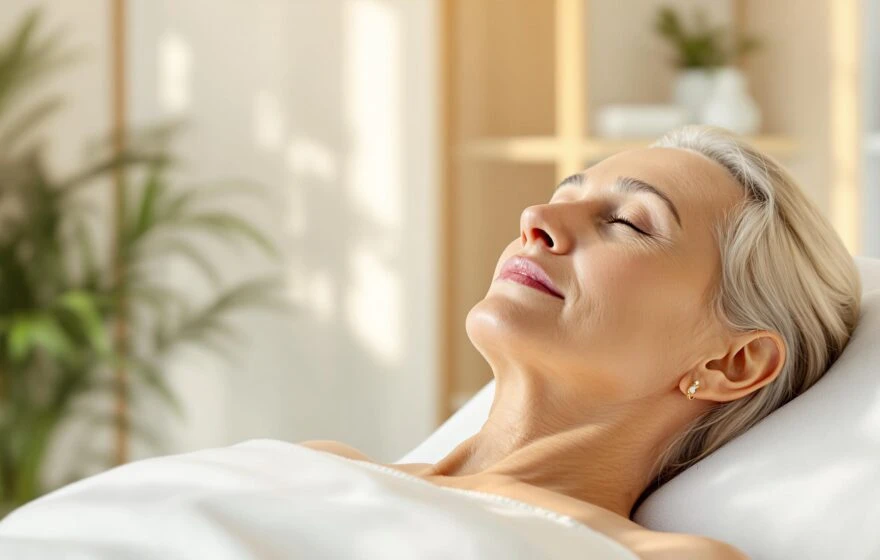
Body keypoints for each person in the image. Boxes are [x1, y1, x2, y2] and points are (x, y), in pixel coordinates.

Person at [302, 125, 861, 559]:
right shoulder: (321, 464)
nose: (535, 217)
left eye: (627, 222)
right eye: (561, 195)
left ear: (733, 363)